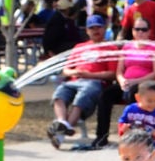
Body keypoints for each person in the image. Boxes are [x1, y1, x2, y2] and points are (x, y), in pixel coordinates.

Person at [48, 15, 125, 150]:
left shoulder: (111, 49)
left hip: (95, 82)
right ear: (87, 31)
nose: (95, 31)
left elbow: (112, 74)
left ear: (104, 28)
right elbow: (66, 70)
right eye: (92, 28)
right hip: (75, 80)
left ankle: (63, 131)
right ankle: (62, 123)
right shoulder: (80, 47)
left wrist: (88, 75)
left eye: (98, 27)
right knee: (60, 92)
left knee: (83, 95)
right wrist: (74, 73)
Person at [118, 77, 155, 141]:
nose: (153, 104)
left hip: (150, 145)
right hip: (131, 143)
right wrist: (123, 129)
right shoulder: (130, 110)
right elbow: (122, 122)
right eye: (149, 101)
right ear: (138, 98)